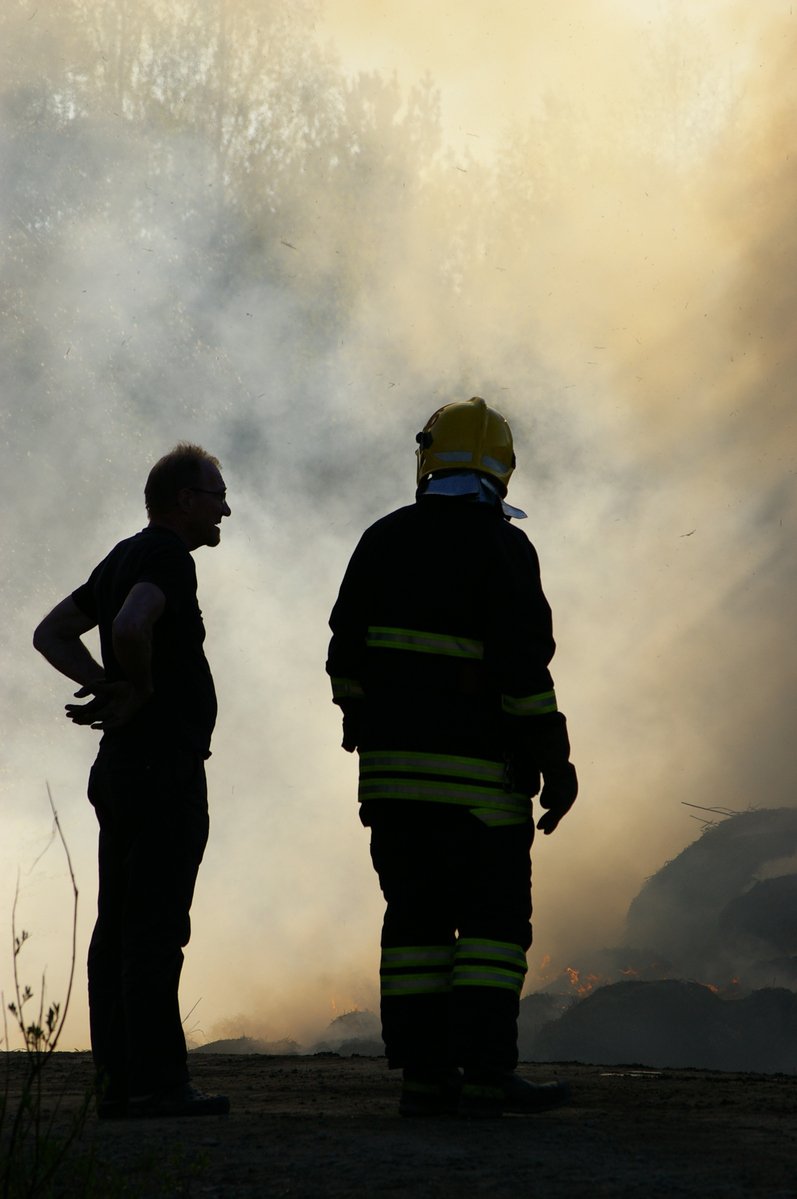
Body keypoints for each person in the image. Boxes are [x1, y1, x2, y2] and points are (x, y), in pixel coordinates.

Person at [326, 397, 578, 1118]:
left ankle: (424, 1078)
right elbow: (523, 674)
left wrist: (364, 720)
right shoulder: (502, 548)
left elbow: (344, 656)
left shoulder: (380, 540)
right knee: (492, 930)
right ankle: (486, 1073)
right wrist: (554, 764)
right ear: (501, 467)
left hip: (391, 787)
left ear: (427, 458)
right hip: (478, 790)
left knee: (416, 927)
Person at [33, 442, 232, 1119]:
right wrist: (140, 685)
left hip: (118, 768)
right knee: (152, 927)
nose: (224, 507)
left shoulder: (122, 554)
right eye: (215, 494)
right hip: (162, 768)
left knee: (115, 926)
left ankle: (119, 1083)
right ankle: (158, 1084)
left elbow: (52, 632)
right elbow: (130, 621)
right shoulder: (166, 558)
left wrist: (106, 685)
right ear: (184, 500)